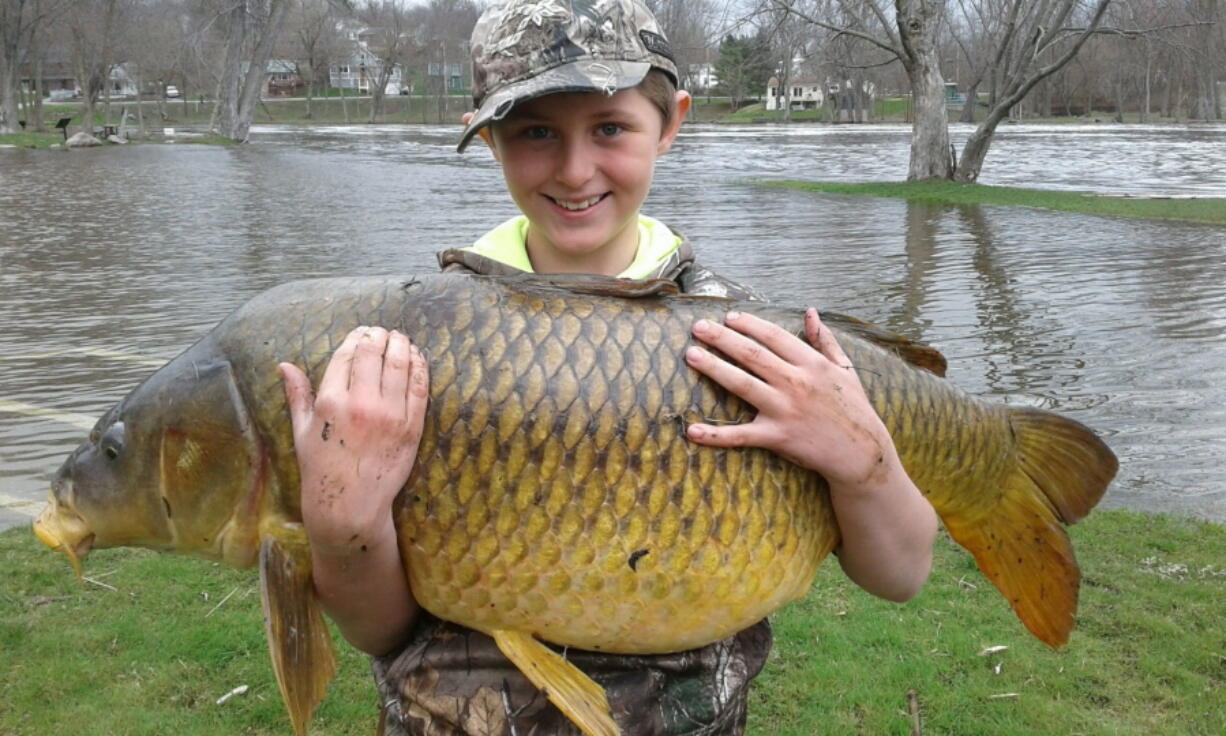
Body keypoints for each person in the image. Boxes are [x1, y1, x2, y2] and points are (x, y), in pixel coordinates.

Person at [277, 1, 938, 734]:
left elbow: (901, 575)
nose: (575, 168)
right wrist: (345, 530)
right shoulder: (405, 351)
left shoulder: (764, 348)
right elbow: (380, 630)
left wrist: (867, 464)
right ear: (489, 138)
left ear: (672, 122)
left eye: (610, 128)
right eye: (535, 133)